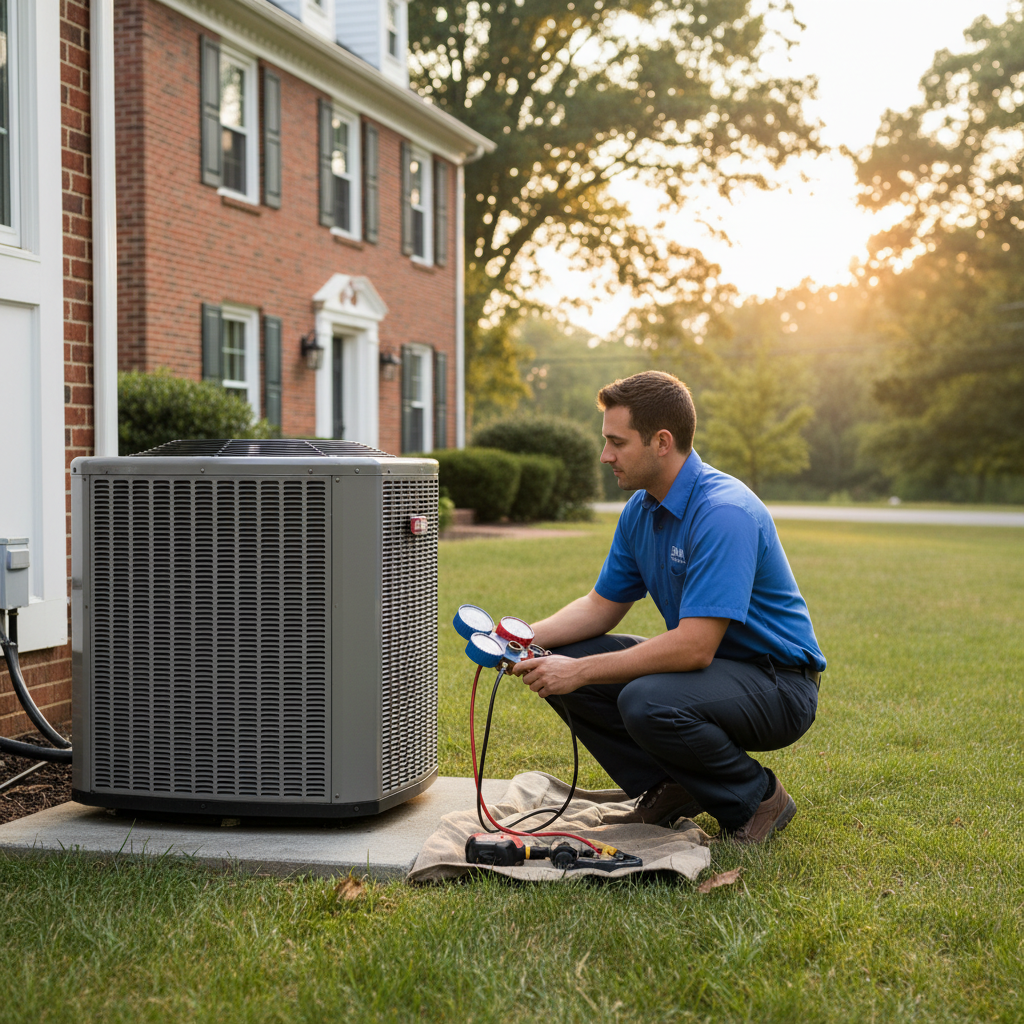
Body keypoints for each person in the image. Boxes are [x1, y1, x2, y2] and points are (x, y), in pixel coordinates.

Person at [510, 371, 825, 843]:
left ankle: (756, 798)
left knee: (643, 700)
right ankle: (673, 785)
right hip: (715, 669)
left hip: (778, 683)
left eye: (617, 442)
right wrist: (521, 639)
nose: (605, 455)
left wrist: (580, 672)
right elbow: (600, 606)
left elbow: (695, 648)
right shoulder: (642, 509)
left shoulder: (724, 512)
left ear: (661, 441)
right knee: (569, 659)